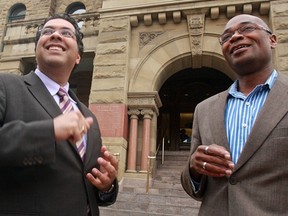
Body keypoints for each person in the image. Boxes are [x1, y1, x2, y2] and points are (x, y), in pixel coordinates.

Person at [0, 13, 118, 216]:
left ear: (79, 56)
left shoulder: (88, 116)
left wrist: (106, 185)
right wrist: (50, 131)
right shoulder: (6, 86)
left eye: (66, 33)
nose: (55, 35)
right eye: (47, 32)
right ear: (37, 49)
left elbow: (85, 181)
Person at [181, 14, 288, 215]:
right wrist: (195, 169)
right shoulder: (204, 109)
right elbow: (194, 186)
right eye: (227, 36)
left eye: (247, 29)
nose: (235, 37)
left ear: (272, 40)